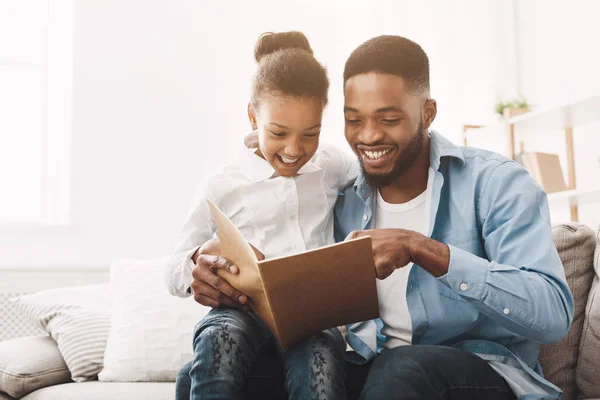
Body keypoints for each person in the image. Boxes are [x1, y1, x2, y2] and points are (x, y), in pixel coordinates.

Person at [175, 35, 574, 400]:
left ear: (428, 113)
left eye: (388, 119)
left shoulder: (496, 184)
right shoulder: (343, 192)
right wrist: (203, 266)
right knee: (195, 376)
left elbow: (553, 315)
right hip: (373, 371)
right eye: (354, 120)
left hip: (480, 373)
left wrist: (421, 248)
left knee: (401, 368)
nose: (368, 136)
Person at [165, 31, 358, 400]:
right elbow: (172, 270)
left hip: (312, 316)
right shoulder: (222, 184)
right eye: (278, 132)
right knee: (218, 343)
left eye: (310, 134)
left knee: (321, 365)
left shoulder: (331, 165)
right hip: (239, 308)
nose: (293, 149)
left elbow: (373, 179)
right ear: (253, 116)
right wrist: (195, 263)